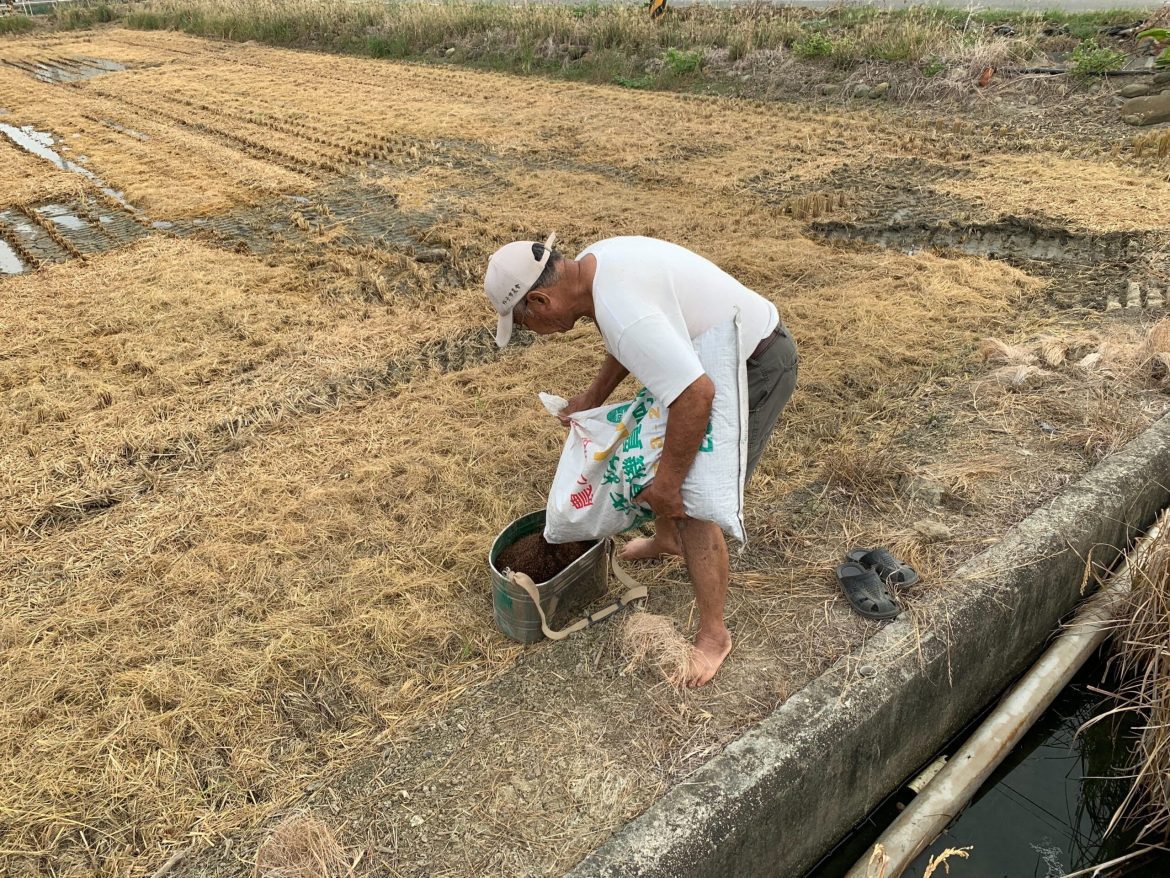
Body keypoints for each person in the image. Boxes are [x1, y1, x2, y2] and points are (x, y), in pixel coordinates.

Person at [484, 234, 797, 686]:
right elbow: (634, 342)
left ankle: (714, 636)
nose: (534, 332)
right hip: (706, 355)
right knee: (650, 457)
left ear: (539, 299)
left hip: (751, 365)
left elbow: (695, 395)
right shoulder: (596, 265)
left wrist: (669, 488)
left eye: (525, 322)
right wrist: (593, 397)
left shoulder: (619, 309)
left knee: (690, 501)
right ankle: (666, 541)